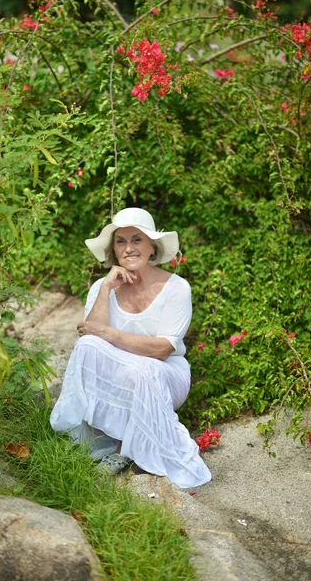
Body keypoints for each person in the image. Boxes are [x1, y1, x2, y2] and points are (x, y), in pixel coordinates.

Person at [50, 207, 212, 489]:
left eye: (137, 239)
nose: (129, 248)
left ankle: (124, 450)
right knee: (87, 345)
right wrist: (105, 290)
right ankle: (97, 437)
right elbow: (91, 340)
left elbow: (162, 350)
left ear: (152, 247)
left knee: (144, 369)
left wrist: (107, 332)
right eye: (121, 241)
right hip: (119, 374)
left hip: (164, 374)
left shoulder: (177, 288)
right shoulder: (103, 286)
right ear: (114, 250)